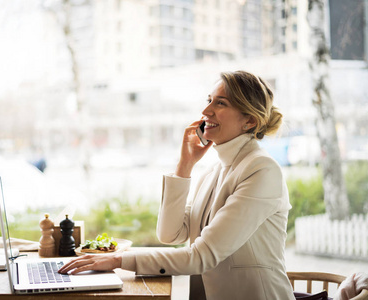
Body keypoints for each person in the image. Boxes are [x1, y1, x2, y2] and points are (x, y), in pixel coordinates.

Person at [59, 70, 295, 300]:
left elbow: (201, 256)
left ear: (249, 121)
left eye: (220, 103)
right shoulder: (213, 172)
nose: (205, 111)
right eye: (209, 100)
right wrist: (185, 165)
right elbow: (170, 234)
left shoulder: (262, 170)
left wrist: (119, 261)